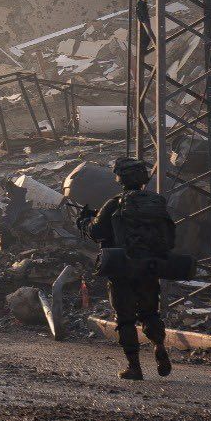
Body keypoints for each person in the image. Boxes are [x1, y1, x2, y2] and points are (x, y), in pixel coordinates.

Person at [82, 156, 177, 380]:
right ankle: (158, 346)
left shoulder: (115, 203)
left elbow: (97, 233)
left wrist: (86, 221)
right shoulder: (156, 202)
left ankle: (134, 367)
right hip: (150, 266)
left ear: (120, 179)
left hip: (122, 268)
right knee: (150, 312)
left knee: (125, 317)